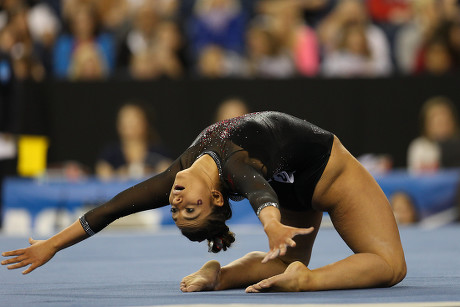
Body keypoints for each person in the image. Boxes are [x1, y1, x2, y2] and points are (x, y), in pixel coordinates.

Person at [1, 111, 406, 293]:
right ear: (215, 196)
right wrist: (270, 223)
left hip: (290, 181)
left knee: (280, 259)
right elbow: (255, 185)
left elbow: (109, 210)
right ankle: (307, 279)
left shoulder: (177, 172)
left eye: (177, 210)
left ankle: (221, 276)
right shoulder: (234, 160)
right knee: (390, 266)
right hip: (329, 175)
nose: (176, 202)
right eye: (188, 209)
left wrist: (51, 244)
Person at [95, 102, 172, 180]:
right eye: (125, 119)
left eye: (135, 119)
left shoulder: (158, 152)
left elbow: (168, 172)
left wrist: (151, 172)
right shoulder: (111, 152)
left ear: (145, 123)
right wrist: (118, 174)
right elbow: (103, 173)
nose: (130, 123)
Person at [407, 96, 459, 173]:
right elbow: (415, 179)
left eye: (445, 121)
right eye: (437, 122)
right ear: (427, 124)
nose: (442, 126)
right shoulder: (420, 147)